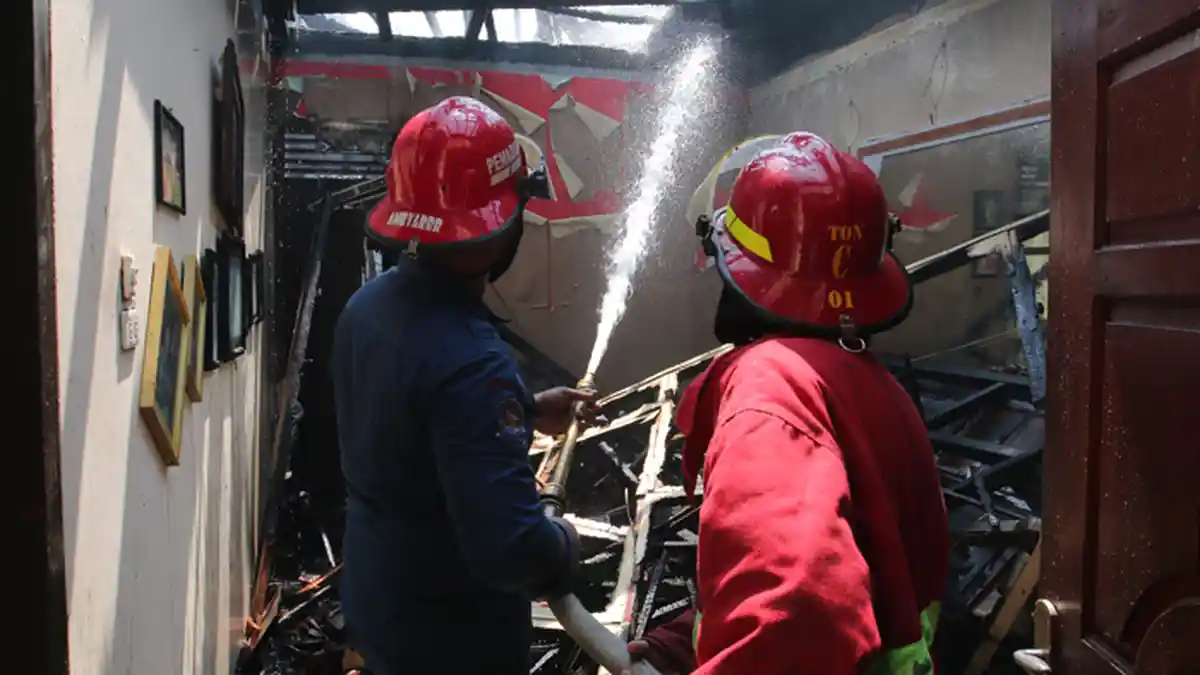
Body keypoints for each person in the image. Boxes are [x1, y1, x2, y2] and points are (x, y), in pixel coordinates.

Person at [627, 132, 949, 675]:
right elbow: (852, 575)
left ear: (733, 260)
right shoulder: (866, 384)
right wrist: (683, 646)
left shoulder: (769, 388)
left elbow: (794, 613)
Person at [331, 96, 594, 675]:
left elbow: (410, 425)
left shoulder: (365, 309)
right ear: (500, 226)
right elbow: (512, 552)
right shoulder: (475, 364)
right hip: (453, 639)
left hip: (382, 600)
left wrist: (525, 410)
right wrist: (566, 543)